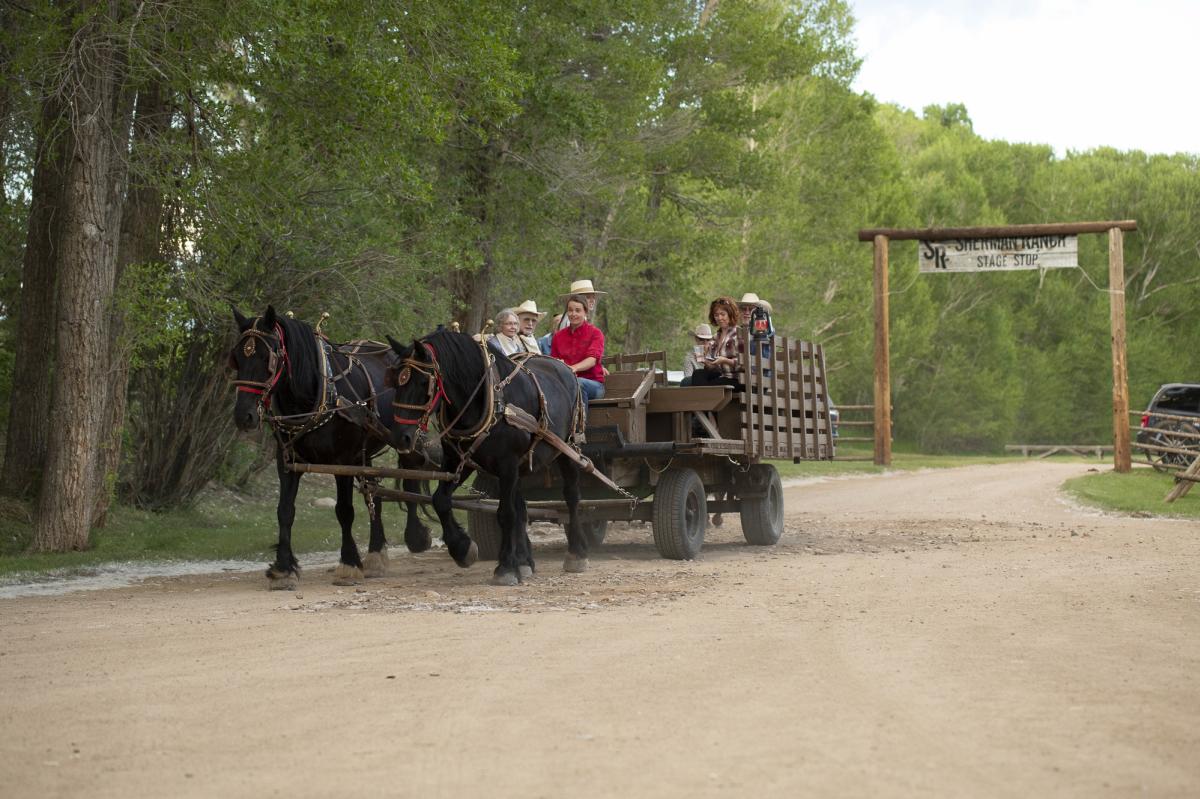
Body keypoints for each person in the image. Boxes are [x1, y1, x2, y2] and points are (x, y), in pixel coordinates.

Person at [551, 294, 605, 409]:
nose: (573, 314)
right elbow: (554, 361)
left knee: (578, 383)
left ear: (585, 312)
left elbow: (592, 360)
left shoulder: (595, 333)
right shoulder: (558, 336)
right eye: (570, 310)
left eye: (578, 310)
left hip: (594, 385)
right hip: (565, 383)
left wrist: (573, 368)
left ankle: (579, 426)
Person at [690, 296, 743, 390]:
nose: (719, 318)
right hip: (722, 376)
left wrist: (725, 360)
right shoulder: (715, 337)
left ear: (730, 314)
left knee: (714, 384)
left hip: (738, 379)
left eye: (723, 314)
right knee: (698, 373)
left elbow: (744, 365)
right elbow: (715, 369)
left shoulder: (739, 334)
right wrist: (705, 362)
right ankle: (703, 401)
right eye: (716, 315)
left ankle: (703, 401)